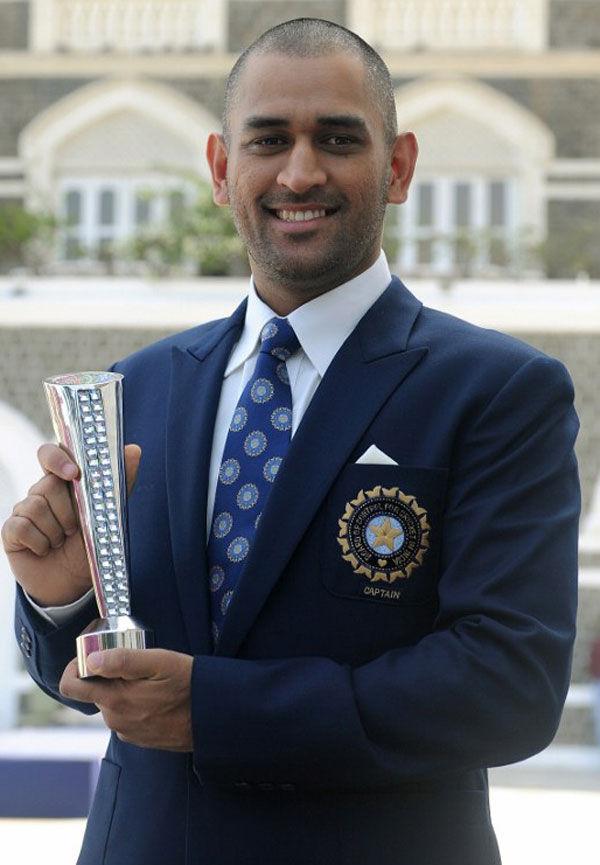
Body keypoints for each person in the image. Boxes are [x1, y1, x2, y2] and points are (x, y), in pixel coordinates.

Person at [1, 18, 579, 865]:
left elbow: (508, 685)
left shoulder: (496, 392)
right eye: (268, 140)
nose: (300, 172)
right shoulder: (142, 388)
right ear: (220, 168)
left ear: (398, 167)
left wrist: (214, 709)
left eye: (338, 139)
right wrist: (63, 602)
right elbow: (94, 681)